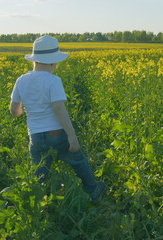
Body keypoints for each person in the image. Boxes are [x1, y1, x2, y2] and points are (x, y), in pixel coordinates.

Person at [9, 35, 105, 205]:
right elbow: (59, 108)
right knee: (78, 160)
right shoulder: (53, 80)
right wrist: (72, 135)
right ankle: (93, 190)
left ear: (35, 60)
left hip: (36, 137)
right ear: (53, 62)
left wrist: (23, 109)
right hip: (57, 133)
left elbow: (14, 110)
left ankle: (36, 201)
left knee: (39, 170)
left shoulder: (21, 80)